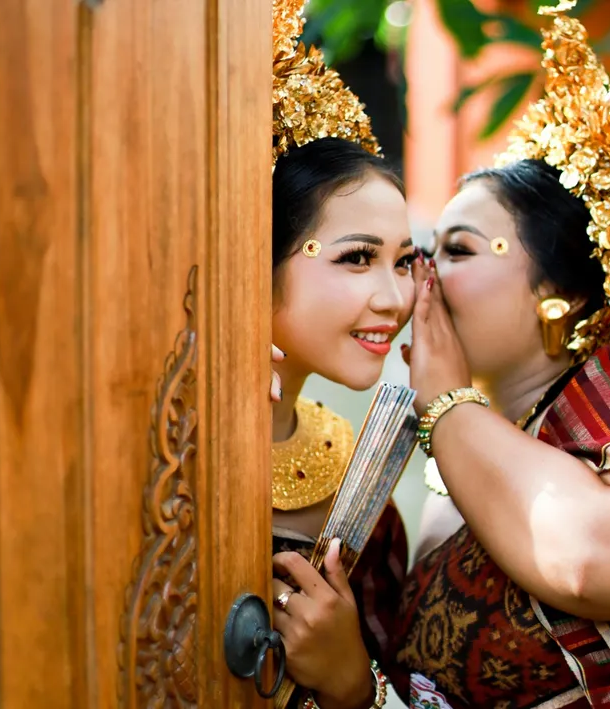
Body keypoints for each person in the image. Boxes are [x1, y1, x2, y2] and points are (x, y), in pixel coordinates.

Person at [271, 1, 610, 707]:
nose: (414, 286)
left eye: (449, 251)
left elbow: (591, 559)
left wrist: (446, 400)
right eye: (410, 256)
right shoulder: (450, 465)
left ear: (561, 294)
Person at [266, 1, 417, 707]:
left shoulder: (357, 473)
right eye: (357, 258)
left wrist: (351, 682)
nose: (394, 297)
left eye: (404, 262)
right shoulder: (145, 438)